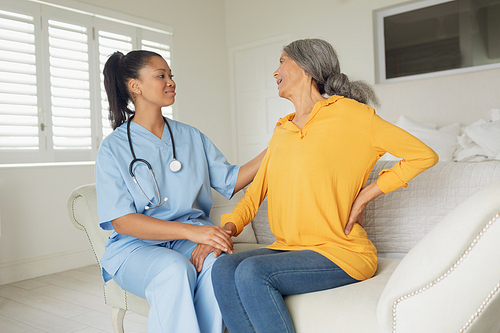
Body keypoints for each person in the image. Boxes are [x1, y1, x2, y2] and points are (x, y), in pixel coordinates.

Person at [211, 39, 439, 333]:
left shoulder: (353, 115)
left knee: (253, 273)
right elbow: (254, 195)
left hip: (341, 252)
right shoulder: (283, 130)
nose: (274, 72)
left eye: (282, 61)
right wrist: (227, 229)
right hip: (290, 249)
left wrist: (368, 194)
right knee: (224, 268)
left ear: (306, 67)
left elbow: (424, 155)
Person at [95, 50, 265, 333]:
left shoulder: (191, 136)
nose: (171, 82)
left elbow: (231, 180)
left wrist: (277, 146)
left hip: (191, 238)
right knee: (174, 270)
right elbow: (122, 221)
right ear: (135, 86)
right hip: (136, 247)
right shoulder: (113, 148)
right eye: (161, 76)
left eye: (171, 75)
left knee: (217, 263)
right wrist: (192, 232)